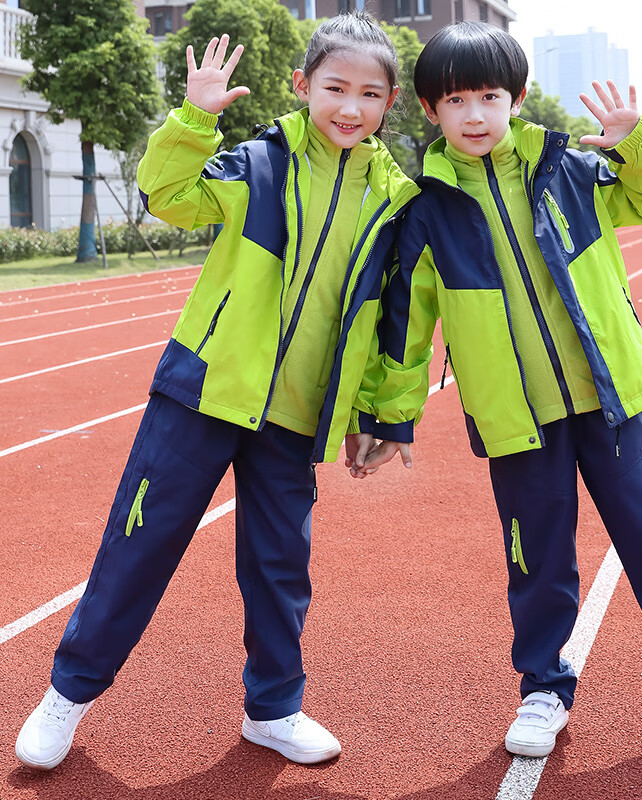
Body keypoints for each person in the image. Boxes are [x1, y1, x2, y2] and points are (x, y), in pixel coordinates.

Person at [16, 12, 418, 770]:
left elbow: (398, 321)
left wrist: (386, 412)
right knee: (138, 549)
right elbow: (168, 193)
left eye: (369, 93)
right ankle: (67, 695)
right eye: (335, 87)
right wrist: (194, 117)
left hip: (295, 417)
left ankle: (274, 709)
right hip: (201, 394)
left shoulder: (398, 202)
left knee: (278, 569)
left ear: (389, 103)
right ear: (303, 86)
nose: (350, 106)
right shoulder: (255, 163)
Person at [360, 22, 642, 768]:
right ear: (429, 110)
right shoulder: (425, 210)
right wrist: (389, 416)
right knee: (537, 559)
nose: (475, 114)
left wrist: (634, 141)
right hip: (517, 420)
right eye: (456, 101)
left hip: (611, 401)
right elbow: (406, 329)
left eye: (489, 96)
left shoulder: (571, 169)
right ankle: (544, 686)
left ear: (515, 99)